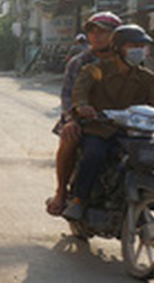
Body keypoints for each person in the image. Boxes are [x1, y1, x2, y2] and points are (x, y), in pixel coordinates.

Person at [61, 24, 154, 221]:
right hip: (100, 129)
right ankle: (78, 201)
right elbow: (79, 93)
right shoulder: (94, 70)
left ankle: (145, 196)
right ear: (117, 48)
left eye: (141, 46)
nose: (138, 50)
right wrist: (83, 106)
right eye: (133, 45)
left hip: (134, 132)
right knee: (94, 154)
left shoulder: (146, 77)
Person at [45, 12, 122, 216]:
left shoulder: (128, 62)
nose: (96, 36)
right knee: (70, 137)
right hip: (84, 119)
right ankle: (62, 193)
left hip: (120, 121)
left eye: (103, 32)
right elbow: (68, 97)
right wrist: (72, 119)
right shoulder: (79, 62)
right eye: (93, 32)